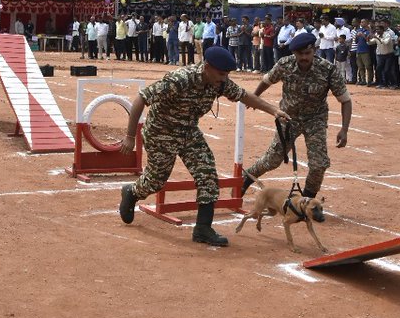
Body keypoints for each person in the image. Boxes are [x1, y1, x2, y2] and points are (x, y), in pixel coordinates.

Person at [117, 46, 290, 247]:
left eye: (226, 75)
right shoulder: (180, 80)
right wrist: (130, 136)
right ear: (207, 67)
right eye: (221, 74)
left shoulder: (219, 81)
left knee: (207, 174)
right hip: (160, 132)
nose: (224, 79)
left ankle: (203, 229)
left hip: (189, 131)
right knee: (155, 181)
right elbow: (141, 99)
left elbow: (243, 95)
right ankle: (132, 191)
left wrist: (274, 111)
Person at [241, 32, 352, 222]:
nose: (303, 58)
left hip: (315, 120)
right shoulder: (285, 64)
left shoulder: (328, 69)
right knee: (273, 160)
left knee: (319, 165)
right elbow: (266, 81)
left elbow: (345, 101)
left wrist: (344, 129)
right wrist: (255, 99)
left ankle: (305, 203)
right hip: (288, 118)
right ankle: (247, 178)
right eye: (299, 54)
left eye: (307, 53)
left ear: (314, 50)